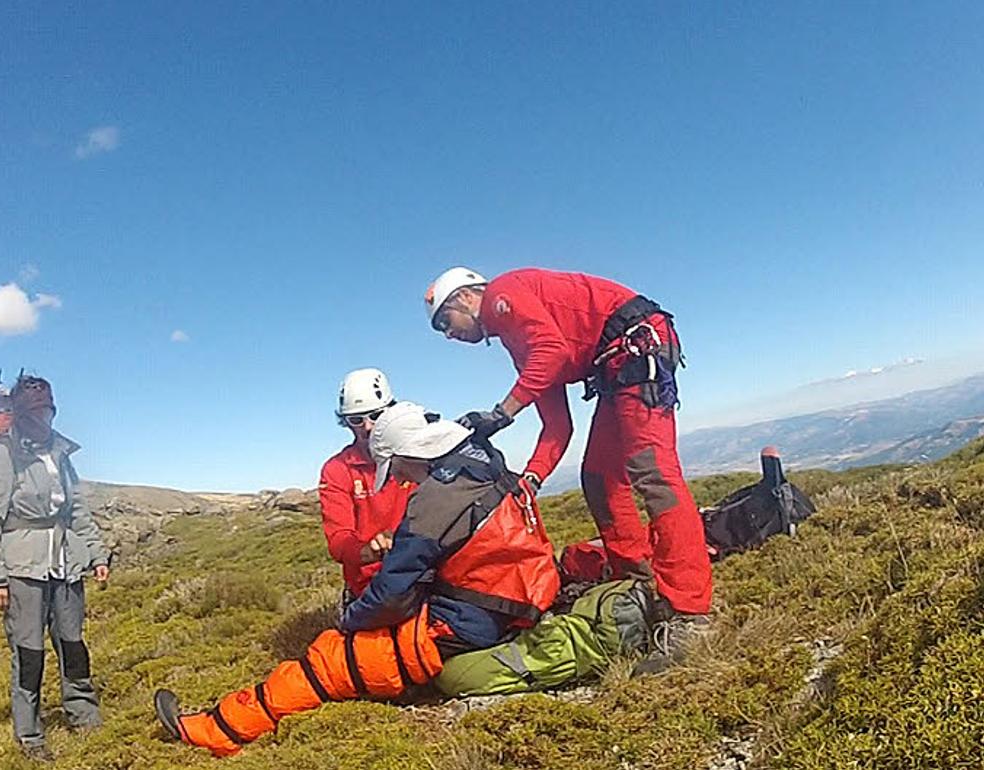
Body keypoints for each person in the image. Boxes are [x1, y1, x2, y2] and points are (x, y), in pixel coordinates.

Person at [153, 402, 559, 756]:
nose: (400, 480)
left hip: (467, 621)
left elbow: (391, 595)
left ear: (411, 454)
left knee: (327, 662)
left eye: (398, 468)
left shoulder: (434, 500)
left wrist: (349, 625)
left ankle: (213, 730)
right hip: (519, 597)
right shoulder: (482, 461)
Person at [424, 267, 712, 625]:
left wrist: (502, 413)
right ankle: (635, 586)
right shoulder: (517, 343)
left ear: (466, 297)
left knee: (652, 470)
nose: (449, 334)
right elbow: (557, 426)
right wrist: (531, 480)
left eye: (444, 322)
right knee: (599, 479)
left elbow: (553, 351)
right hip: (618, 363)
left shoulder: (504, 293)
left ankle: (689, 608)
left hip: (637, 347)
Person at [0, 375, 112, 762]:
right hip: (22, 569)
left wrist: (96, 555)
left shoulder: (61, 452)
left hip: (67, 563)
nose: (44, 417)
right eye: (36, 411)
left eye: (47, 410)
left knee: (73, 644)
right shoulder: (2, 455)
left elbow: (78, 509)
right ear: (20, 414)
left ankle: (83, 716)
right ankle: (30, 735)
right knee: (29, 652)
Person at [318, 368, 414, 606]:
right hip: (368, 590)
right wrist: (371, 551)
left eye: (376, 415)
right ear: (346, 423)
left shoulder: (416, 455)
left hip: (422, 577)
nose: (368, 426)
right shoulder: (338, 469)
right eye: (356, 419)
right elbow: (339, 541)